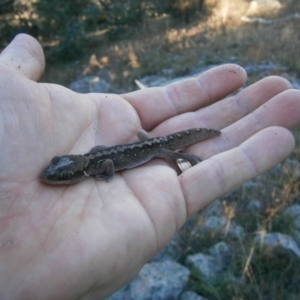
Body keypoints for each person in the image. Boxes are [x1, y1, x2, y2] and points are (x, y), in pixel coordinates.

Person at [0, 34, 300, 299]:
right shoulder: (86, 160)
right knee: (158, 146)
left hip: (151, 148)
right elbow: (100, 153)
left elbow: (104, 158)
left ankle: (192, 156)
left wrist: (107, 175)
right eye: (60, 174)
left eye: (61, 175)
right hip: (143, 145)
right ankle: (182, 149)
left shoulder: (94, 165)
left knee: (166, 153)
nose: (55, 177)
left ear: (76, 171)